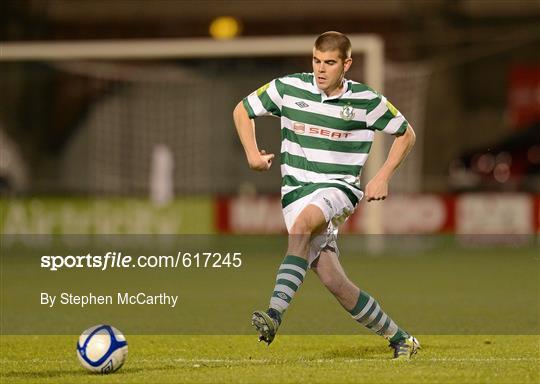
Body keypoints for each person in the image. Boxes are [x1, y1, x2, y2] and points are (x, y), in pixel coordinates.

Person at [232, 31, 419, 359]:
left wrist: (382, 177)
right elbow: (242, 110)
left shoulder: (366, 101)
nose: (321, 69)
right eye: (317, 61)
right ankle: (400, 338)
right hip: (294, 192)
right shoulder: (289, 88)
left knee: (303, 227)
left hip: (339, 188)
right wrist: (252, 155)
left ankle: (274, 314)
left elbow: (406, 133)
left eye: (329, 63)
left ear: (346, 64)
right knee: (336, 282)